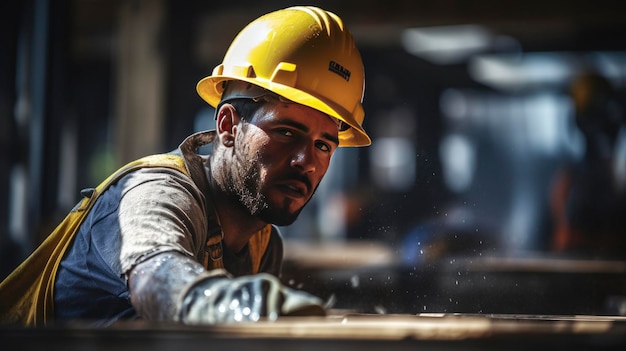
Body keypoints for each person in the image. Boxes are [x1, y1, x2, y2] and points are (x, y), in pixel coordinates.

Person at [0, 6, 371, 326]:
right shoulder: (156, 192)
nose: (306, 161)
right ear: (227, 126)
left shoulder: (263, 244)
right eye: (287, 131)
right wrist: (249, 306)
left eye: (324, 145)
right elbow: (157, 280)